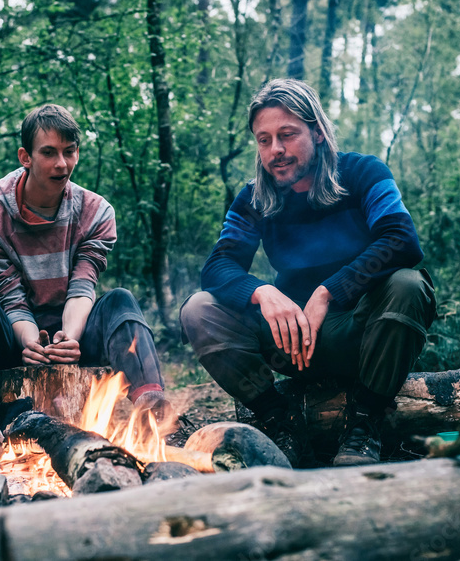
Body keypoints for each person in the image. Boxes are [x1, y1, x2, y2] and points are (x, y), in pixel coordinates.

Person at [180, 79, 435, 466]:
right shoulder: (254, 198)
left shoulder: (363, 172)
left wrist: (327, 291)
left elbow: (401, 239)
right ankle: (282, 421)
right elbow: (218, 266)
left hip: (360, 332)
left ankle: (364, 423)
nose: (275, 150)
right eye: (264, 140)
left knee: (408, 285)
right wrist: (262, 293)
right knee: (199, 308)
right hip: (292, 344)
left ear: (317, 132)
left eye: (287, 135)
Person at [0, 104, 169, 454]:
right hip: (14, 337)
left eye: (69, 152)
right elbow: (10, 299)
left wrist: (70, 338)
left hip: (75, 332)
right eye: (49, 153)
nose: (61, 164)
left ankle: (154, 418)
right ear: (26, 156)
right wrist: (30, 342)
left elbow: (84, 284)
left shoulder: (97, 212)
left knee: (121, 302)